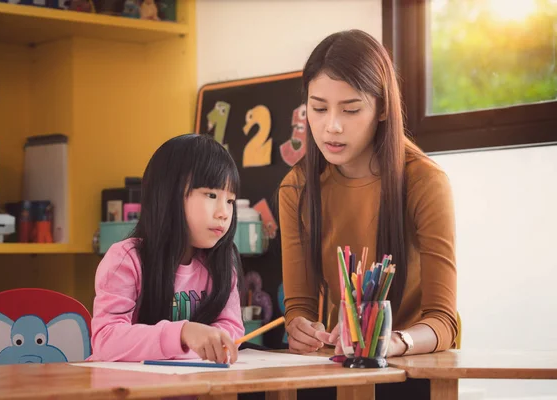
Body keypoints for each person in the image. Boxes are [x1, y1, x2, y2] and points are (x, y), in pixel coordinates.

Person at [278, 29, 458, 398]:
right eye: (318, 107)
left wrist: (392, 343)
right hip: (336, 368)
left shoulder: (425, 181)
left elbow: (443, 321)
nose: (332, 125)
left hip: (412, 369)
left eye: (351, 109)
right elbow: (300, 307)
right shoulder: (296, 189)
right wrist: (300, 328)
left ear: (382, 109)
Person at [90, 133, 244, 364]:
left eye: (230, 201)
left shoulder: (222, 263)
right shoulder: (126, 260)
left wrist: (212, 342)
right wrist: (182, 334)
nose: (224, 212)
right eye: (211, 195)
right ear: (169, 194)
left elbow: (231, 330)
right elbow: (106, 341)